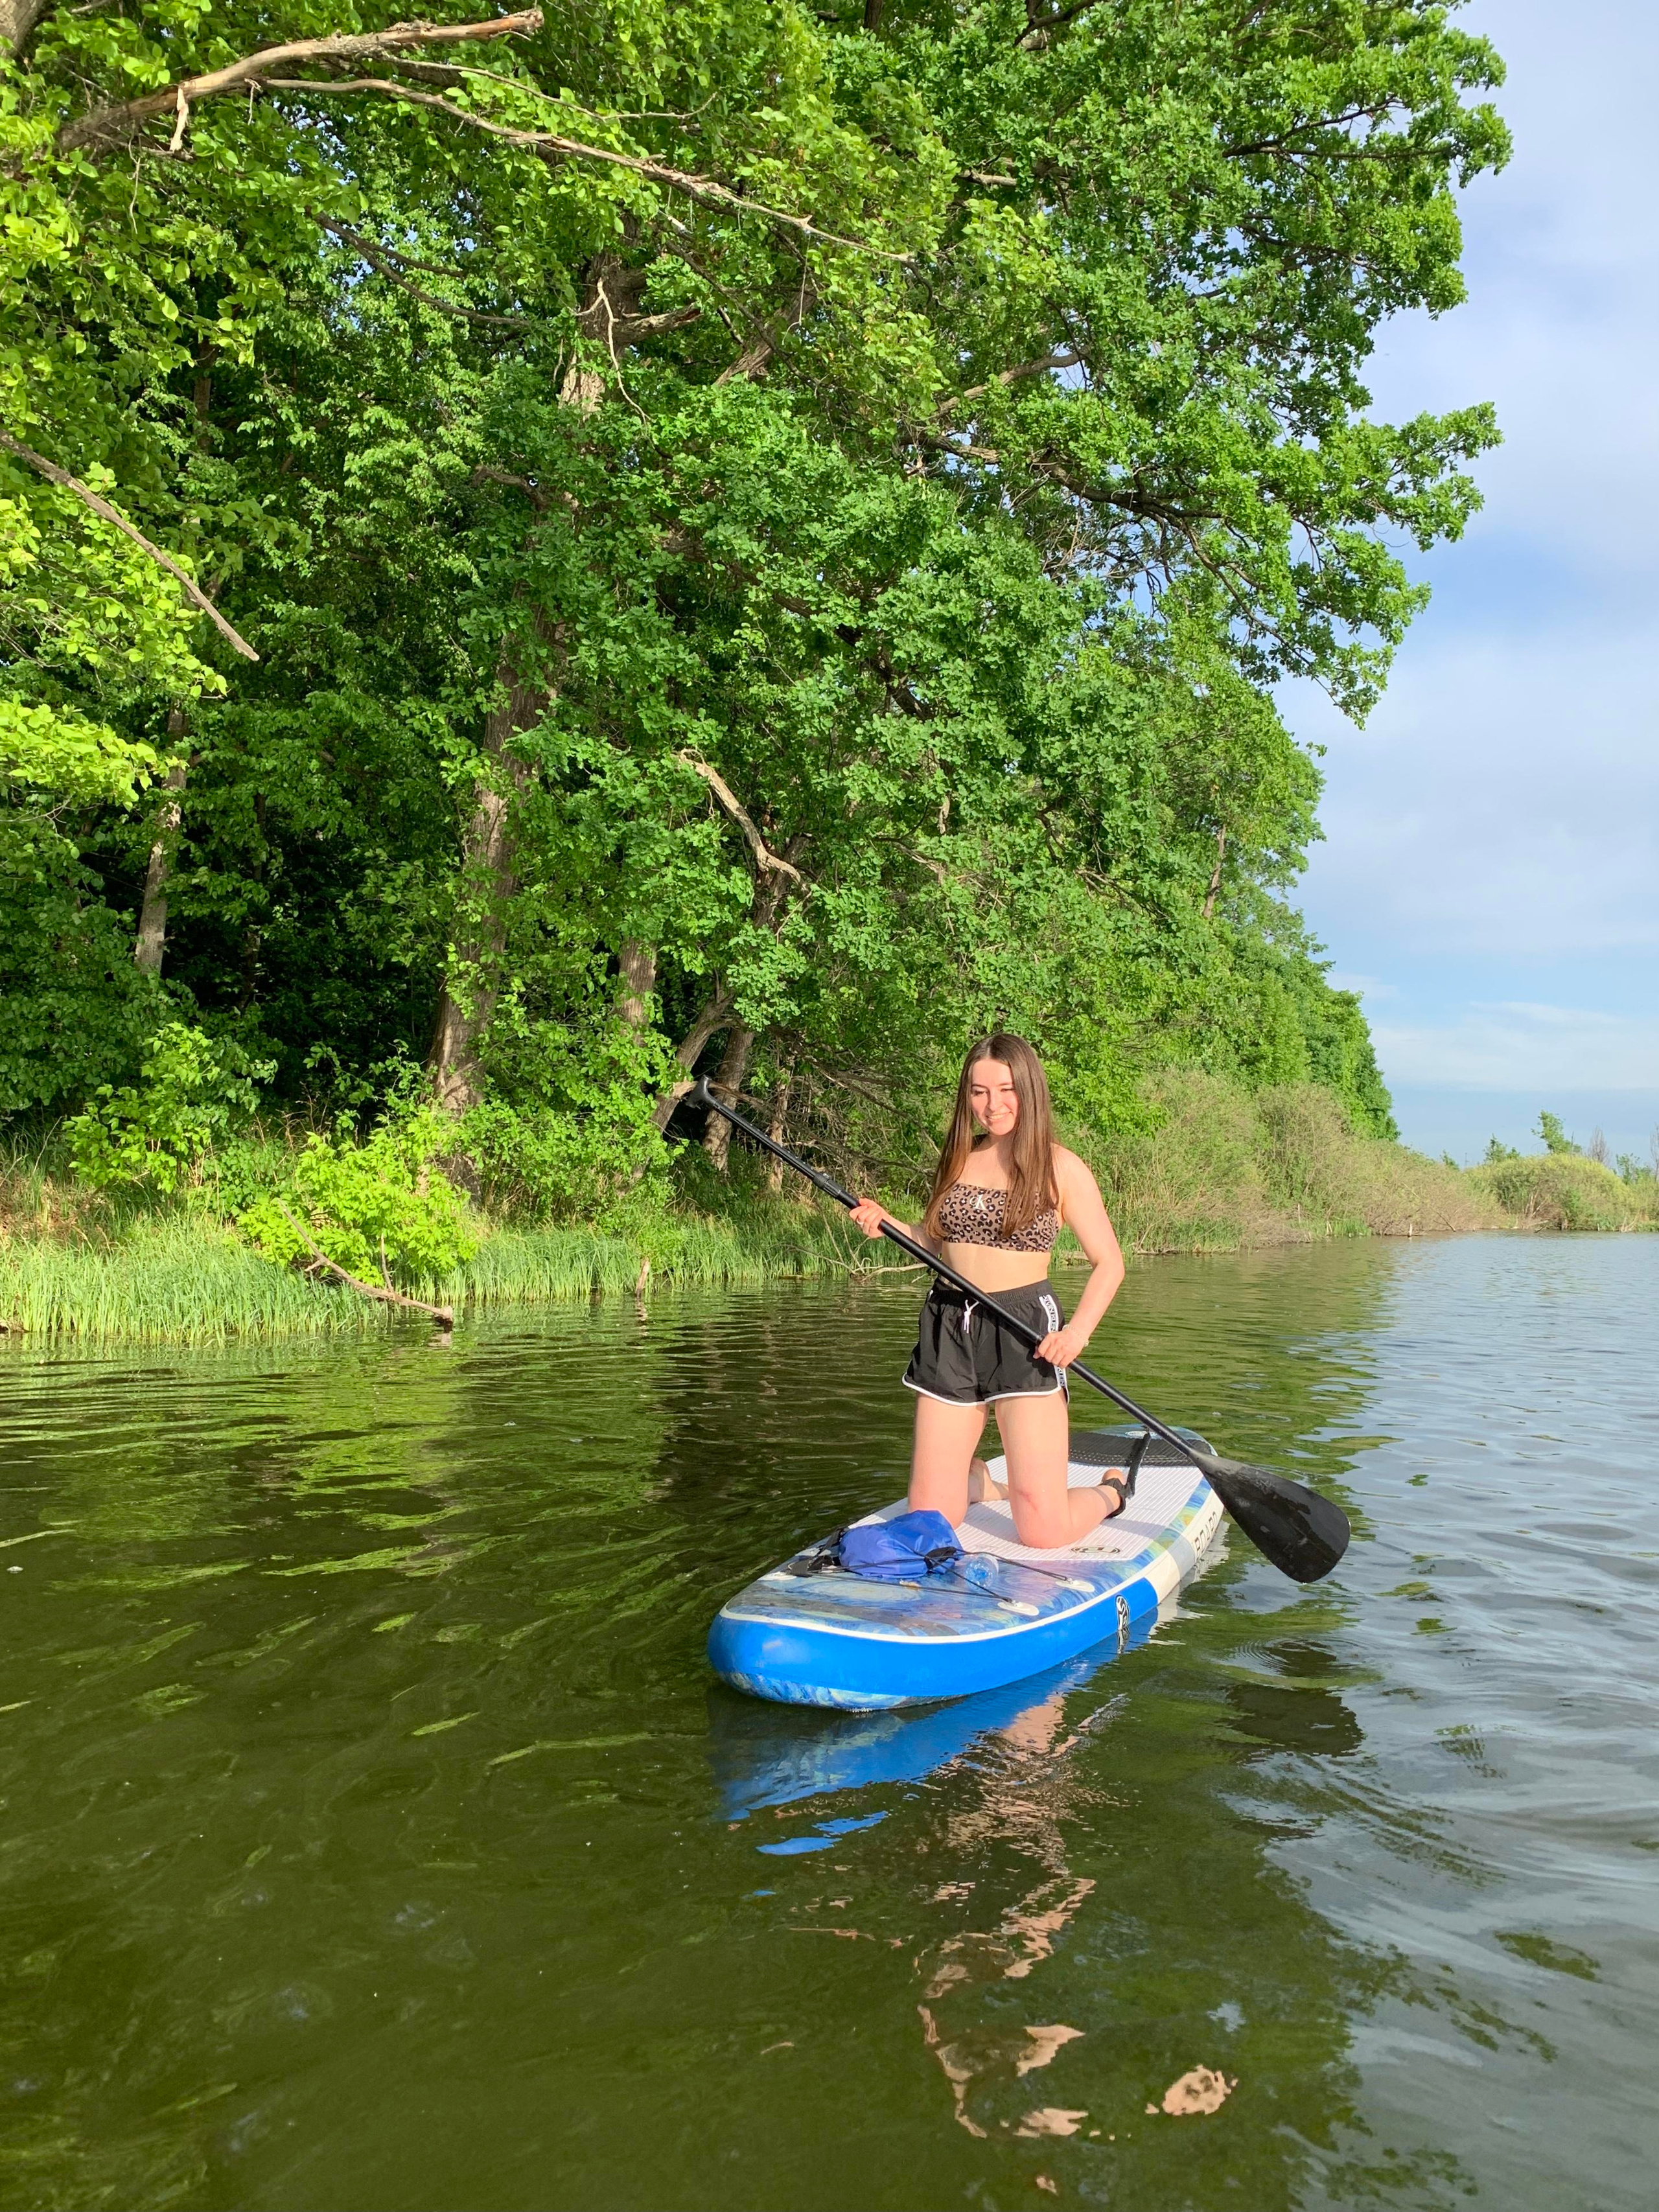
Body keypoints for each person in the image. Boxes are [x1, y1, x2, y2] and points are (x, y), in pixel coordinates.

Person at [849, 1033, 1128, 1550]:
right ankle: (979, 1484)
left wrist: (1077, 1335)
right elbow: (936, 1243)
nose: (991, 1105)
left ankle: (1110, 1492)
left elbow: (1109, 1263)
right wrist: (887, 1223)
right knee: (931, 1521)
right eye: (978, 1092)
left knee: (1043, 1533)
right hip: (949, 1324)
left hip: (1024, 1330)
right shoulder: (958, 1159)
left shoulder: (1060, 1167)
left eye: (1005, 1090)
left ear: (1029, 1089)